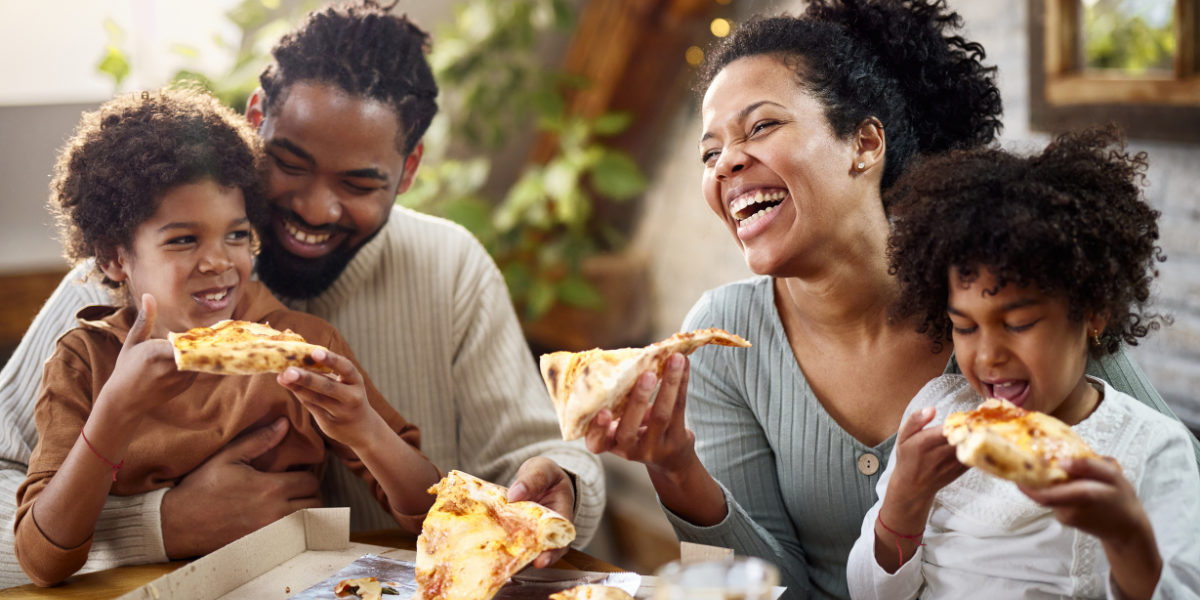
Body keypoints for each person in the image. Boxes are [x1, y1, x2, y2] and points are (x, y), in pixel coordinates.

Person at [581, 1, 1200, 599]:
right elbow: (759, 591)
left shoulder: (1005, 298)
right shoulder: (720, 338)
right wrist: (677, 470)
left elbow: (1176, 497)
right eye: (710, 153)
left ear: (865, 143)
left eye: (761, 126)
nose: (726, 165)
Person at [0, 0, 602, 586]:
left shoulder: (433, 279)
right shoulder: (100, 311)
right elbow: (26, 531)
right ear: (257, 115)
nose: (315, 207)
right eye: (291, 162)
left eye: (359, 182)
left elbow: (505, 479)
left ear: (409, 168)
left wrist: (561, 484)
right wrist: (160, 524)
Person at [14, 86, 444, 587]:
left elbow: (435, 517)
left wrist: (364, 428)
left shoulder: (302, 344)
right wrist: (116, 410)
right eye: (183, 239)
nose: (220, 261)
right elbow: (42, 563)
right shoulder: (84, 361)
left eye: (236, 235)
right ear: (114, 257)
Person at [846, 127, 1199, 599]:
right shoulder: (936, 414)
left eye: (1019, 323)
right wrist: (902, 503)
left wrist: (1127, 537)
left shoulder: (1151, 449)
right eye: (966, 328)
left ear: (1093, 310)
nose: (988, 356)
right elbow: (870, 594)